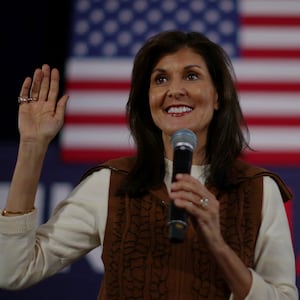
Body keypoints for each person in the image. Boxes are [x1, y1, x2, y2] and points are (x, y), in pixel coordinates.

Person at [0, 30, 298, 300]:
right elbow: (13, 271)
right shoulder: (112, 182)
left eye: (191, 76)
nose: (174, 89)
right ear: (148, 100)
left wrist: (219, 246)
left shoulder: (258, 188)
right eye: (160, 79)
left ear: (218, 95)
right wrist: (32, 146)